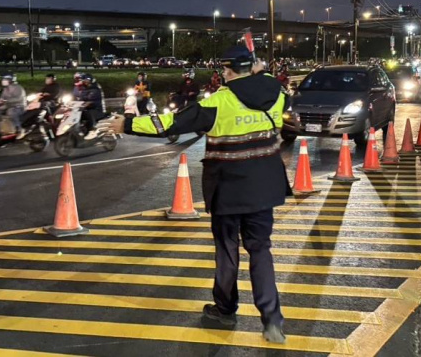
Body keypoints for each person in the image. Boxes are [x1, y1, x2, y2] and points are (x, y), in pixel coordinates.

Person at [100, 45, 289, 343]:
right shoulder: (276, 92)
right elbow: (278, 96)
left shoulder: (219, 101)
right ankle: (272, 319)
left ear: (228, 70)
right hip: (265, 186)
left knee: (227, 251)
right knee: (260, 250)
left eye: (224, 69)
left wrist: (127, 124)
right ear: (252, 67)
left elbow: (170, 124)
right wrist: (260, 74)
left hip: (228, 189)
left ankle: (225, 309)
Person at [76, 73, 106, 139]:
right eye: (84, 80)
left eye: (87, 80)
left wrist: (85, 104)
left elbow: (91, 100)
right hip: (88, 109)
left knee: (89, 113)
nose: (85, 82)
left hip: (97, 110)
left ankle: (92, 130)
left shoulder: (96, 89)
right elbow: (80, 99)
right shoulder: (84, 89)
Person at [0, 73, 27, 137]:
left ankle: (19, 129)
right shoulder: (5, 89)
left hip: (19, 106)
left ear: (10, 80)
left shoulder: (18, 88)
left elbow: (18, 98)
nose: (2, 81)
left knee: (11, 112)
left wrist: (6, 101)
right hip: (9, 105)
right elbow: (2, 97)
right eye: (2, 79)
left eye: (4, 80)